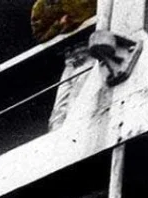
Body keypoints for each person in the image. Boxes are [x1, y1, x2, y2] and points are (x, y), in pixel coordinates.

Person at [31, 0, 97, 130]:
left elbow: (87, 13)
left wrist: (67, 23)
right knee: (58, 114)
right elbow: (39, 34)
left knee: (77, 105)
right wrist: (59, 25)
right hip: (70, 60)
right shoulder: (41, 5)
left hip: (88, 51)